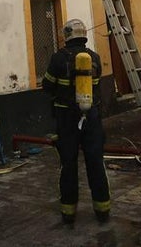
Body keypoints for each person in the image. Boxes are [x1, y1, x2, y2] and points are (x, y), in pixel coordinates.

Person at [42, 18, 111, 224]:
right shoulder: (95, 58)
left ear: (66, 36)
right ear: (83, 35)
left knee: (68, 164)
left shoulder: (57, 59)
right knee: (96, 163)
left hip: (66, 120)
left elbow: (47, 85)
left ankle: (68, 212)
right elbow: (97, 87)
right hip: (92, 118)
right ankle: (102, 210)